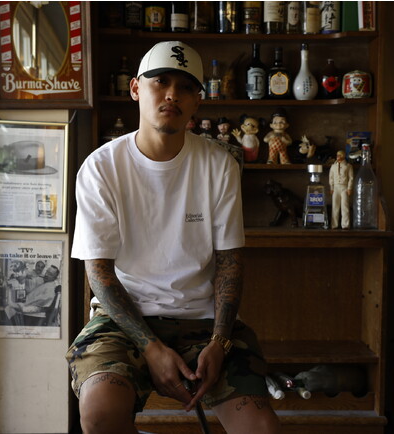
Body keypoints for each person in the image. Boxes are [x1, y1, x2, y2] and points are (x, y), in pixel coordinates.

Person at [66, 41, 281, 434]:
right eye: (160, 82)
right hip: (122, 320)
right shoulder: (102, 167)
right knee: (99, 413)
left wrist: (220, 342)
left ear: (198, 100)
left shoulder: (219, 164)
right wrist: (150, 348)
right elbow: (99, 272)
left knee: (260, 428)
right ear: (135, 89)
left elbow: (230, 263)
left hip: (203, 321)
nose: (171, 95)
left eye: (185, 87)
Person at [329, 150, 354, 229]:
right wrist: (331, 187)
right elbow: (331, 178)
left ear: (343, 156)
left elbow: (351, 178)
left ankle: (345, 224)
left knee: (345, 206)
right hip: (336, 188)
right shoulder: (333, 166)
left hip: (344, 187)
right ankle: (334, 224)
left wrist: (349, 188)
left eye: (340, 155)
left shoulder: (348, 166)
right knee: (335, 206)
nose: (338, 156)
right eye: (337, 155)